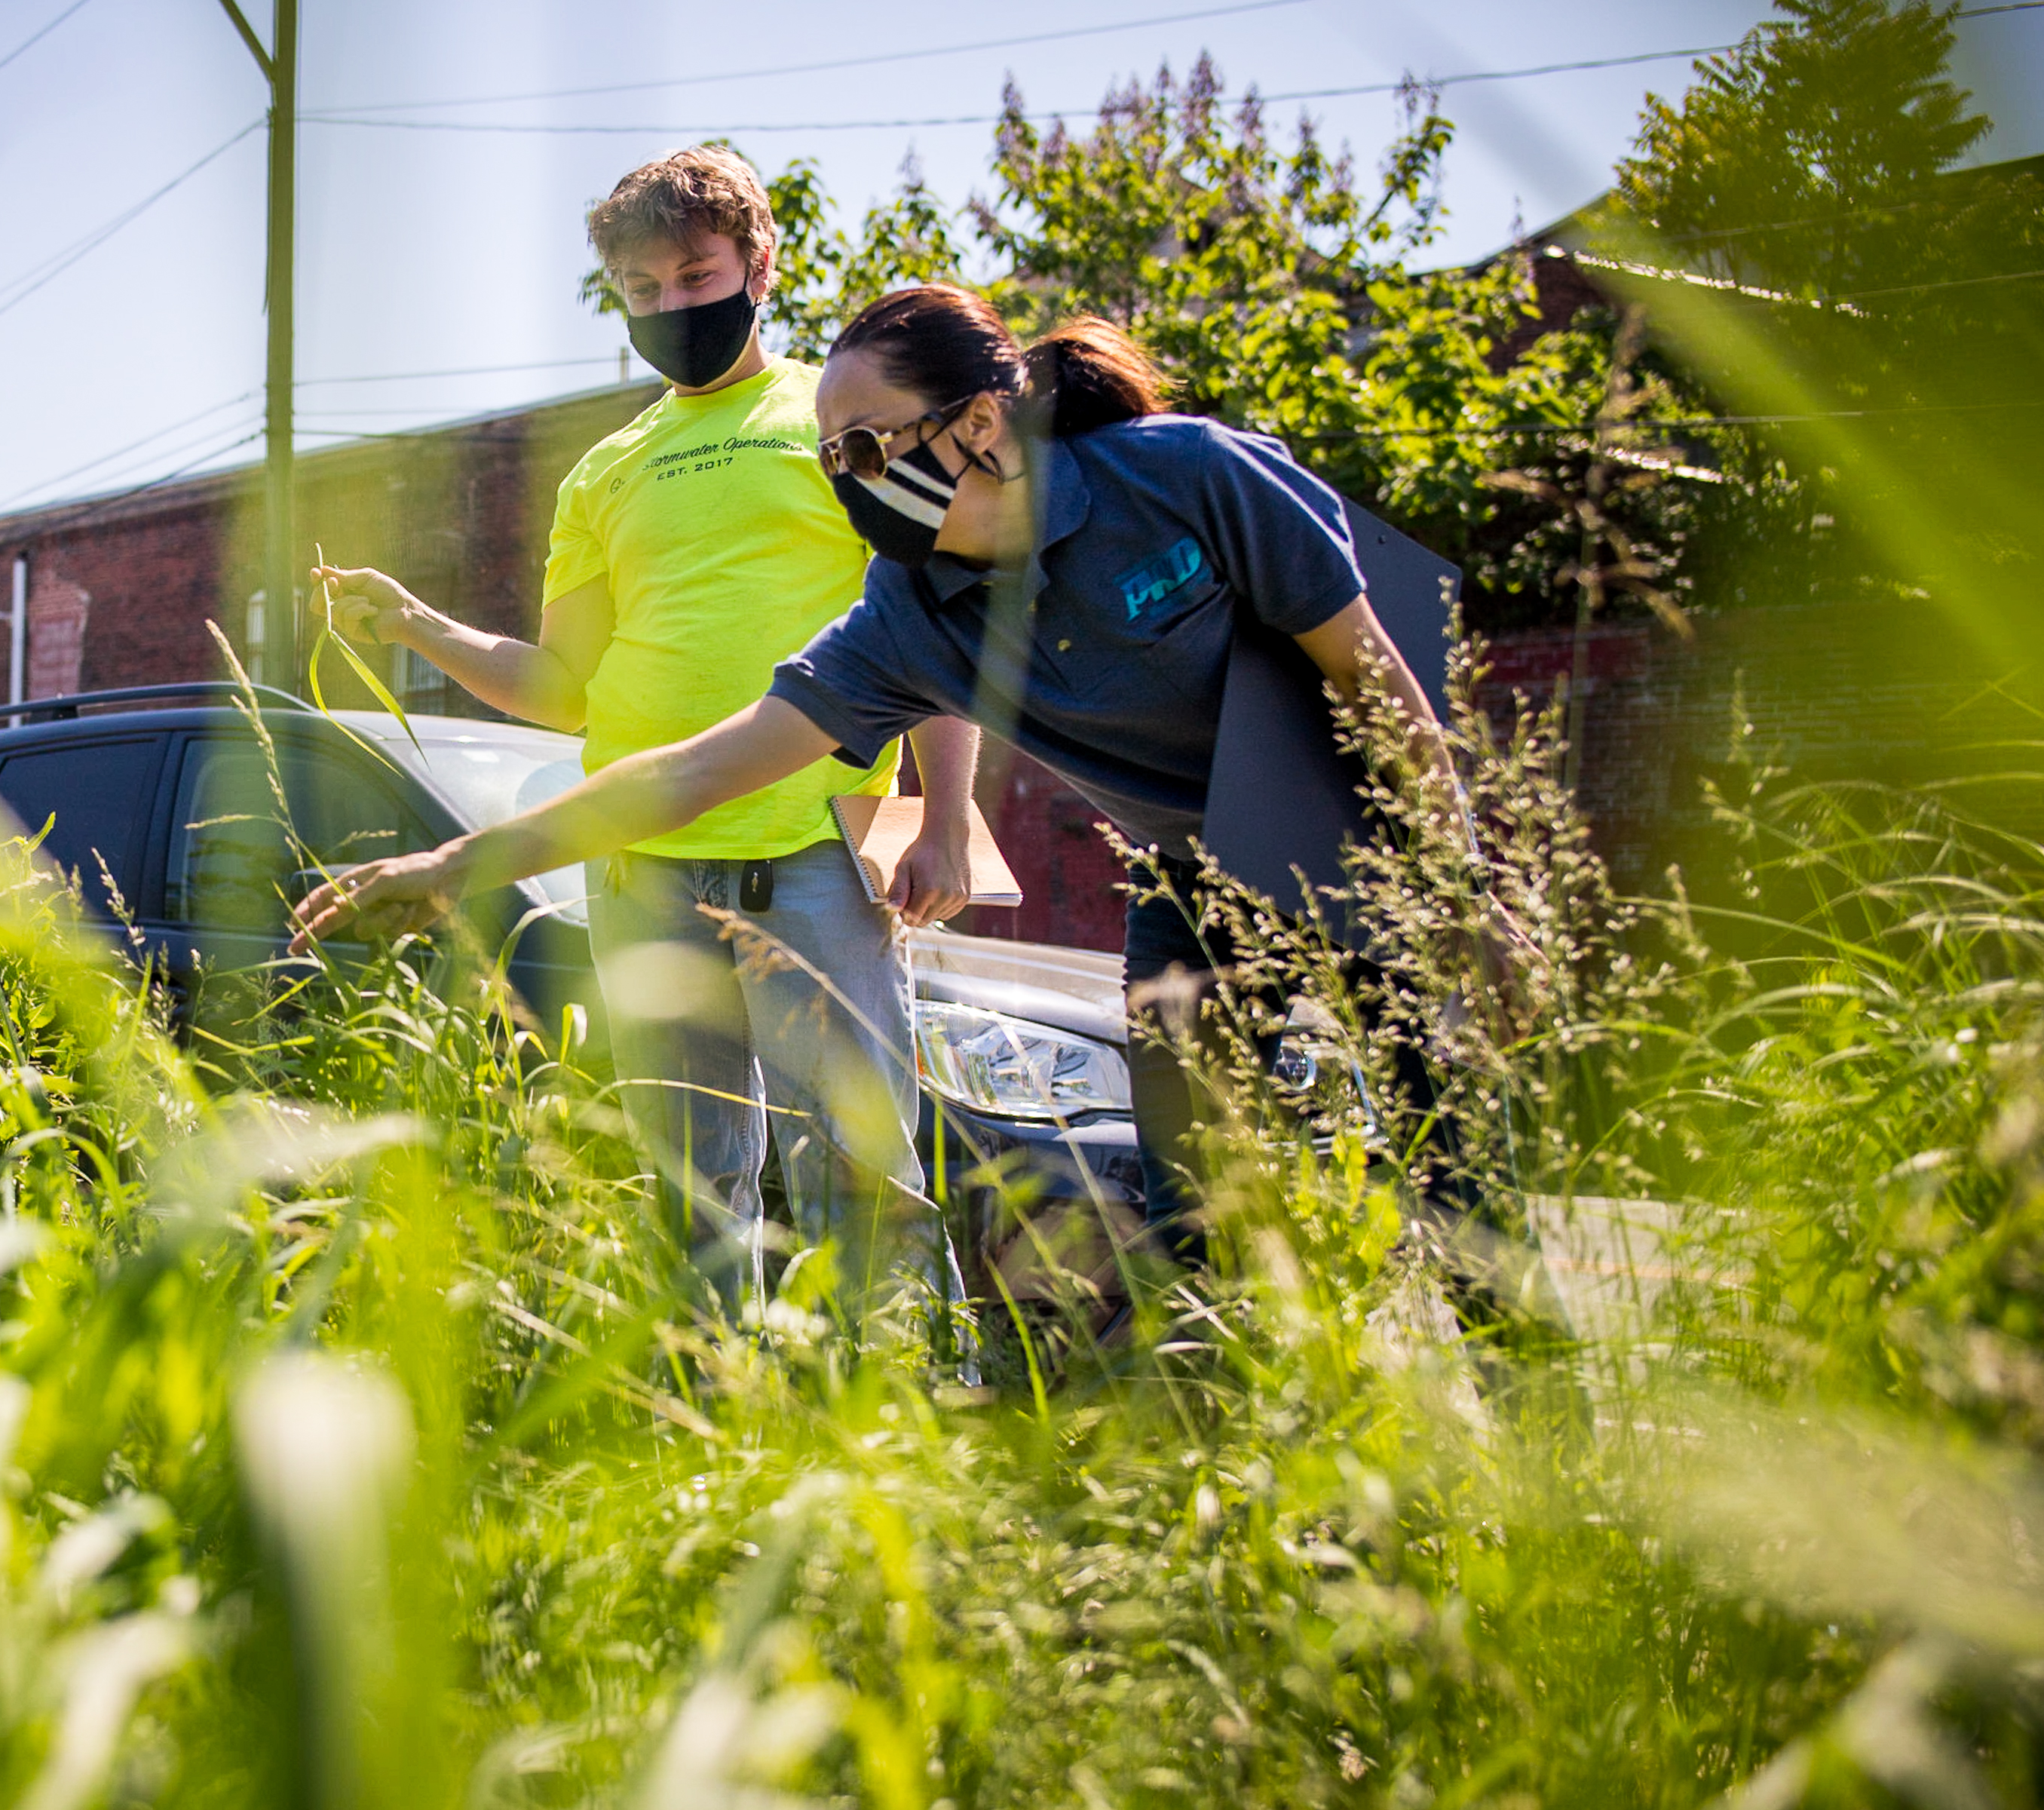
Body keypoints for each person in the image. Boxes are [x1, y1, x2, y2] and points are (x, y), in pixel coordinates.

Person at [294, 282, 1481, 1232]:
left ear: (979, 423)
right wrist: (460, 863)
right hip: (1190, 884)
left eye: (866, 448)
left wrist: (1463, 892)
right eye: (832, 463)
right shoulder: (909, 615)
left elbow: (1375, 683)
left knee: (1455, 1167)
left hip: (1357, 837)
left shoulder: (1184, 479)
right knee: (1198, 1204)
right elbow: (689, 769)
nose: (850, 484)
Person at [307, 151, 982, 1306]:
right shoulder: (603, 475)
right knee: (694, 1190)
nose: (672, 306)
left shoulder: (836, 419)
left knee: (866, 1171)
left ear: (758, 264)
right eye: (642, 290)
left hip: (814, 846)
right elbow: (567, 689)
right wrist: (417, 627)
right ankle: (712, 1432)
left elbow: (931, 616)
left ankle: (903, 1425)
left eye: (695, 273)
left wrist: (947, 817)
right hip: (641, 875)